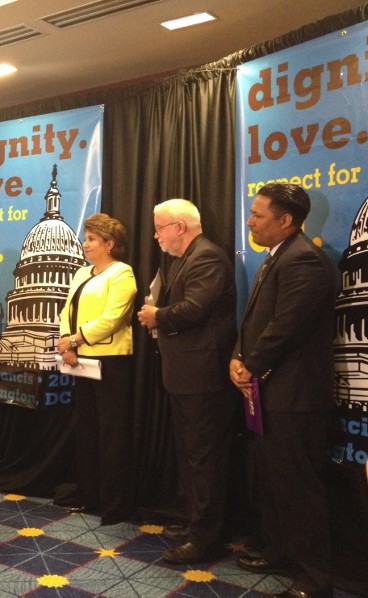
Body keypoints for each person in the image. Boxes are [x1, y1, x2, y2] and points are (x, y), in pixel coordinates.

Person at [229, 183, 335, 598]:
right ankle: (280, 551)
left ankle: (314, 577)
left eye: (258, 215)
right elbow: (254, 321)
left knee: (298, 487)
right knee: (272, 481)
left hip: (296, 397)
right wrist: (239, 356)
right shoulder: (275, 259)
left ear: (286, 220)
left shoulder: (305, 260)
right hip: (269, 393)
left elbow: (285, 327)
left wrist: (250, 363)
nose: (250, 221)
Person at [137, 199, 238, 563]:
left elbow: (195, 309)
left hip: (203, 377)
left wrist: (156, 315)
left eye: (159, 227)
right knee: (191, 456)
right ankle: (198, 521)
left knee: (204, 459)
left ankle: (206, 538)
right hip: (185, 376)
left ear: (180, 226)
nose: (155, 235)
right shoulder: (185, 259)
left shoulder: (207, 257)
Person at [55, 213, 136, 526]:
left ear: (109, 244)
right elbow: (66, 310)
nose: (84, 244)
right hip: (80, 360)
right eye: (86, 238)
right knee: (87, 431)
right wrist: (67, 342)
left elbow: (113, 318)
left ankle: (115, 505)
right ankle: (89, 497)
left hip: (110, 361)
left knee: (111, 434)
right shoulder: (81, 273)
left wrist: (75, 339)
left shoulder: (122, 273)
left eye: (91, 239)